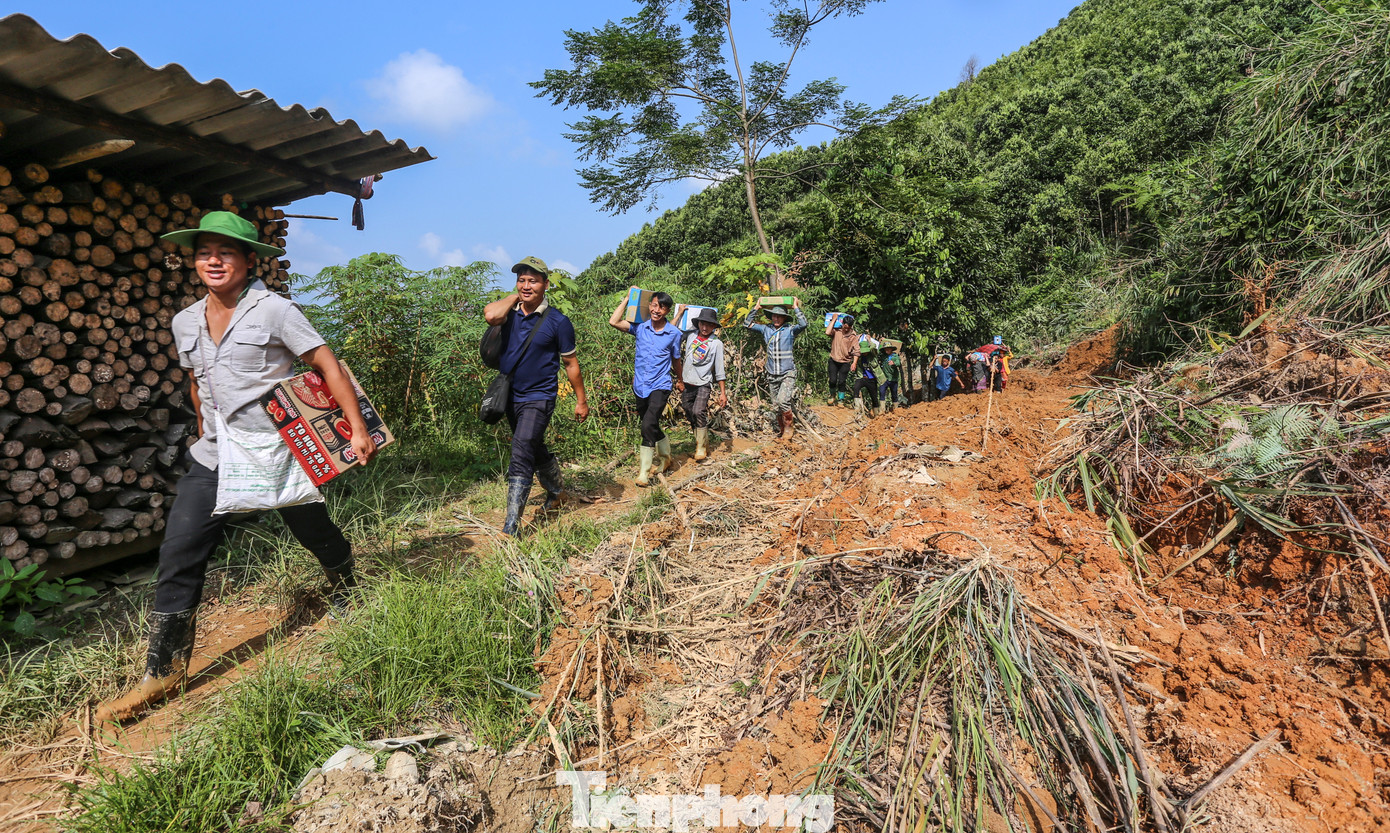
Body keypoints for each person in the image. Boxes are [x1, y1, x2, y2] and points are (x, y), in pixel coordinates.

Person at [97, 211, 379, 724]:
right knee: (180, 546)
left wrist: (357, 430)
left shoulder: (275, 311)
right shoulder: (185, 320)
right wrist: (206, 427)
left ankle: (345, 580)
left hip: (278, 450)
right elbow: (196, 383)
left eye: (225, 252)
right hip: (217, 454)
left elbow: (326, 364)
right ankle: (161, 671)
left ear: (251, 261)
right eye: (205, 251)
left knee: (312, 527)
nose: (213, 260)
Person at [483, 256, 589, 535]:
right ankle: (556, 492)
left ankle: (511, 527)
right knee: (533, 445)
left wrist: (581, 400)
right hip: (510, 396)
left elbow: (571, 364)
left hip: (540, 396)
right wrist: (513, 297)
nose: (526, 285)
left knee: (521, 449)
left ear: (546, 284)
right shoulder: (508, 314)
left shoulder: (558, 322)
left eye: (533, 280)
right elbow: (491, 316)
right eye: (521, 280)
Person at [610, 289, 683, 486]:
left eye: (661, 307)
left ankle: (644, 472)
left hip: (661, 385)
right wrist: (627, 300)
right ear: (649, 305)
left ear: (667, 311)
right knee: (648, 423)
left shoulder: (674, 333)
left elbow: (676, 359)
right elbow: (614, 322)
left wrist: (680, 379)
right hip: (640, 385)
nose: (656, 309)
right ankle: (666, 457)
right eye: (654, 305)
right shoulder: (640, 328)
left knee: (647, 425)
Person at [744, 299, 807, 440]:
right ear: (771, 317)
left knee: (783, 400)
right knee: (776, 405)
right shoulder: (766, 329)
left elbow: (803, 324)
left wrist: (796, 307)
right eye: (774, 316)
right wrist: (756, 307)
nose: (776, 318)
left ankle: (790, 427)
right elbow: (747, 324)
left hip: (787, 372)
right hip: (772, 373)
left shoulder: (790, 330)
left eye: (779, 316)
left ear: (784, 318)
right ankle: (782, 428)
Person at [679, 307, 727, 461]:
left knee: (699, 411)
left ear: (714, 327)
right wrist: (680, 313)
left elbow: (719, 369)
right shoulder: (690, 336)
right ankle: (701, 439)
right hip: (687, 381)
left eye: (709, 325)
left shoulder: (716, 343)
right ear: (698, 323)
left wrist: (722, 392)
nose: (705, 328)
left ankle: (701, 448)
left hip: (703, 383)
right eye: (702, 324)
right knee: (688, 409)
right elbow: (673, 334)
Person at [825, 313, 859, 407]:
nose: (846, 329)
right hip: (834, 359)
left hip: (845, 362)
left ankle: (841, 400)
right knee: (832, 380)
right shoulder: (836, 331)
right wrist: (834, 319)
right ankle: (832, 395)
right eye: (845, 327)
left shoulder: (853, 336)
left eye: (848, 327)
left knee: (842, 381)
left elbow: (856, 351)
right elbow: (827, 332)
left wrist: (854, 363)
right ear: (842, 324)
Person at [853, 337, 881, 417]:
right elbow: (852, 349)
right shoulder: (859, 357)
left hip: (872, 379)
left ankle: (876, 415)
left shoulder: (872, 355)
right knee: (856, 388)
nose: (864, 353)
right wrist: (856, 339)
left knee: (874, 397)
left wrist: (869, 340)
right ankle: (857, 408)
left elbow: (873, 347)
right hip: (862, 377)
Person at [878, 342, 902, 411]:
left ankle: (896, 410)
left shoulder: (895, 356)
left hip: (893, 379)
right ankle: (882, 410)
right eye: (885, 349)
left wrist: (893, 363)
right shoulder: (883, 356)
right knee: (882, 393)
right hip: (884, 379)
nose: (887, 350)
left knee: (894, 394)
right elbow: (876, 352)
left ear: (891, 349)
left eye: (888, 349)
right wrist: (880, 342)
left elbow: (898, 363)